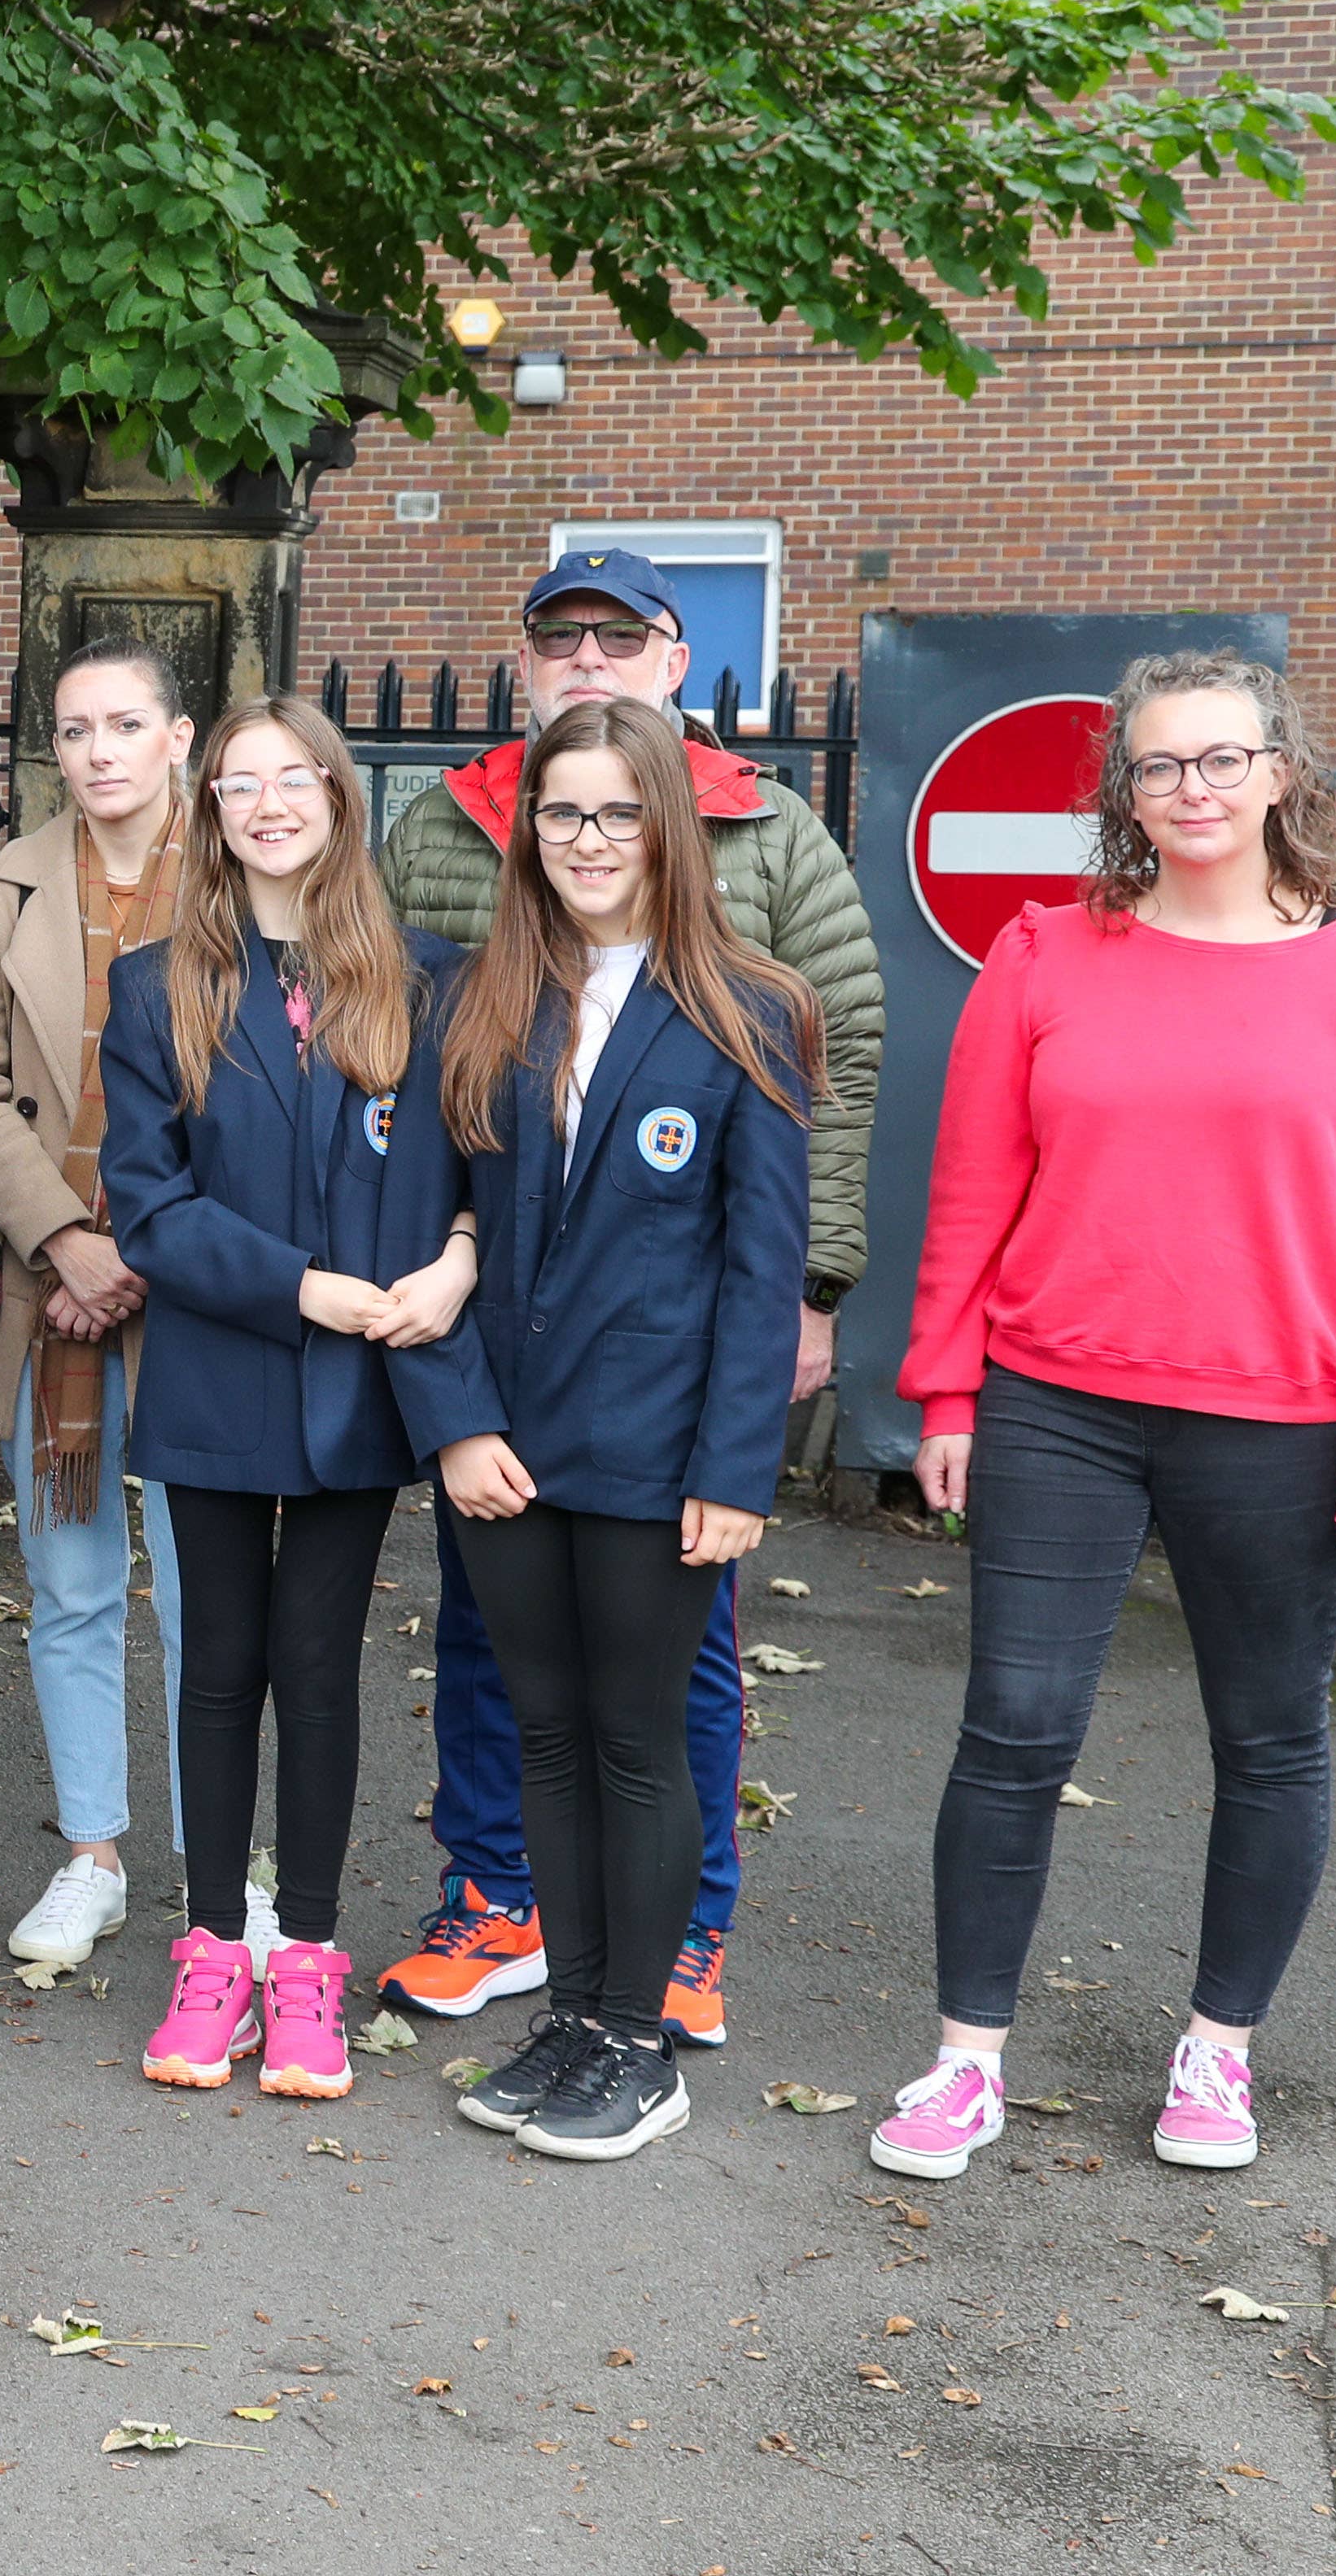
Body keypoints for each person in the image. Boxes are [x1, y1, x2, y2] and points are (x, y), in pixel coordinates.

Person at [869, 650, 1336, 2186]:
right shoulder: (1044, 956)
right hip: (1056, 1400)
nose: (1191, 790)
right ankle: (964, 2061)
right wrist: (946, 1383)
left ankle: (1219, 2047)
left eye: (1219, 760)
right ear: (1121, 794)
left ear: (1280, 769)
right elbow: (971, 1191)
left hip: (1281, 1421)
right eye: (1157, 767)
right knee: (1011, 1728)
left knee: (1268, 1740)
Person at [373, 547, 884, 2049]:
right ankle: (517, 1920)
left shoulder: (765, 891)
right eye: (558, 635)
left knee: (661, 1694)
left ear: (672, 661)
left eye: (618, 633)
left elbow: (815, 1098)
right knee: (514, 1675)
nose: (585, 654)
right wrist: (450, 1386)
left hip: (666, 1388)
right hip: (511, 1384)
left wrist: (800, 1315)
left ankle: (668, 1956)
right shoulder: (450, 890)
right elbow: (426, 1156)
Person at [421, 698, 817, 2164]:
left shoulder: (750, 1009)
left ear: (668, 824)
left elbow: (756, 1269)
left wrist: (731, 1471)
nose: (586, 840)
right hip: (506, 1454)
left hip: (660, 1464)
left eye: (615, 812)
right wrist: (456, 1423)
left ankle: (638, 2040)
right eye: (559, 812)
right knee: (544, 1734)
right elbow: (438, 1236)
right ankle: (573, 2014)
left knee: (640, 1741)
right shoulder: (480, 998)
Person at [100, 697, 480, 2105]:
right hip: (219, 1371)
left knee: (318, 1672)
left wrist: (456, 1257)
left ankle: (306, 1956)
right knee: (218, 1668)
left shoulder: (427, 980)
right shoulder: (157, 989)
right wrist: (305, 1287)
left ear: (335, 794)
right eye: (236, 783)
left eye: (291, 777)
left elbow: (474, 1168)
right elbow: (147, 1206)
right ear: (208, 809)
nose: (266, 802)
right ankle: (210, 1949)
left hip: (361, 1388)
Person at [0, 640, 202, 1975]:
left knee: (205, 1590)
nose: (98, 750)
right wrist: (66, 1238)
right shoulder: (3, 882)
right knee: (73, 1582)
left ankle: (221, 1873)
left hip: (202, 1284)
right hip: (55, 1290)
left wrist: (146, 1244)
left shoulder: (248, 865)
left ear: (176, 738)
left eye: (124, 723)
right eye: (75, 727)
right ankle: (93, 1852)